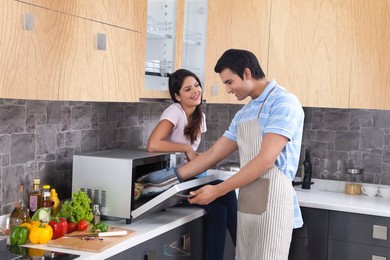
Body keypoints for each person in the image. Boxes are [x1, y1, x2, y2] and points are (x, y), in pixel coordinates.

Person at [172, 49, 305, 259]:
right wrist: (168, 179)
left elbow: (266, 159)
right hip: (248, 208)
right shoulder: (244, 113)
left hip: (276, 210)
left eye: (229, 82)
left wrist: (218, 191)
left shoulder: (284, 103)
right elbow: (213, 154)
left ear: (247, 73)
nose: (227, 89)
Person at [145, 69, 237, 260]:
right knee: (225, 195)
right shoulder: (174, 112)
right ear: (177, 96)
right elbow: (153, 144)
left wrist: (194, 154)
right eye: (188, 89)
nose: (195, 91)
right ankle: (246, 251)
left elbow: (192, 154)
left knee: (220, 207)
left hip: (188, 177)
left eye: (196, 85)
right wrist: (186, 149)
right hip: (168, 181)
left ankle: (242, 251)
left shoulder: (199, 117)